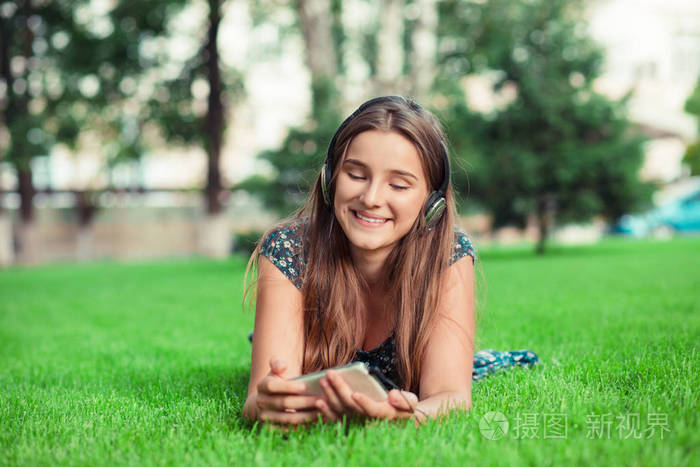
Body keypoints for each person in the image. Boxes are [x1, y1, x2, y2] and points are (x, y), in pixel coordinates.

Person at [242, 95, 477, 426]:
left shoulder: (448, 255)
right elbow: (259, 398)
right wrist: (269, 403)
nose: (371, 199)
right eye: (356, 175)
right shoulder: (287, 249)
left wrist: (403, 417)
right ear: (330, 179)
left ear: (432, 203)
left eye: (398, 184)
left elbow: (451, 395)